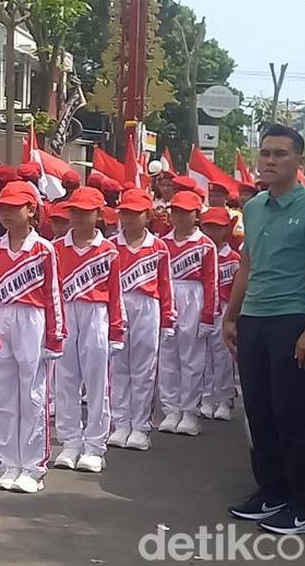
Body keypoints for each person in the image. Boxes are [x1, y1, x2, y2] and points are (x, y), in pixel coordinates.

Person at [223, 124, 305, 535]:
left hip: (291, 320)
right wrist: (231, 315)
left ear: (299, 161)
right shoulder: (254, 208)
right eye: (265, 153)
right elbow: (247, 266)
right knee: (259, 411)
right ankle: (271, 493)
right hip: (253, 319)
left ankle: (303, 509)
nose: (269, 160)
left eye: (280, 154)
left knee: (292, 414)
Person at [0, 181, 66, 495]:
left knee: (33, 393)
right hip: (2, 318)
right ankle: (9, 462)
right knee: (4, 393)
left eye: (13, 207)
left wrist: (55, 336)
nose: (6, 214)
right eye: (2, 208)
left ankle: (33, 467)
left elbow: (53, 294)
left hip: (33, 320)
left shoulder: (44, 249)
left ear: (31, 210)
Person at [52, 187, 125, 474]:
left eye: (85, 212)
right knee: (65, 380)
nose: (79, 217)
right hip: (67, 312)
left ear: (98, 214)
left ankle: (95, 445)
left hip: (96, 313)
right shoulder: (57, 248)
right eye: (74, 211)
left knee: (97, 381)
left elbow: (116, 292)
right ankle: (70, 441)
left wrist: (116, 330)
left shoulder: (108, 250)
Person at [109, 189, 174, 452]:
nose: (129, 218)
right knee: (118, 367)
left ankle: (140, 426)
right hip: (119, 305)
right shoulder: (111, 246)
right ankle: (121, 422)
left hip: (147, 305)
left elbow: (166, 284)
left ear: (147, 216)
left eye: (135, 213)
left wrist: (168, 319)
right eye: (125, 213)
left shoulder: (158, 247)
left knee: (144, 368)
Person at [159, 190, 217, 437]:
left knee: (192, 358)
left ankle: (190, 411)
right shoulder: (163, 243)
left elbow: (211, 281)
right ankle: (171, 409)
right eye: (176, 212)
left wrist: (208, 315)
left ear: (196, 215)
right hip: (169, 296)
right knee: (168, 357)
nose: (180, 217)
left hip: (194, 296)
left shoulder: (205, 245)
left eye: (185, 212)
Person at [199, 207, 239, 421]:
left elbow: (237, 288)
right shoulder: (199, 252)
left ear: (226, 229)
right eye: (208, 226)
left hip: (224, 308)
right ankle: (206, 397)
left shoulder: (232, 258)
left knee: (223, 355)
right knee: (203, 354)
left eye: (217, 227)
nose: (212, 231)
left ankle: (224, 398)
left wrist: (234, 315)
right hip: (204, 307)